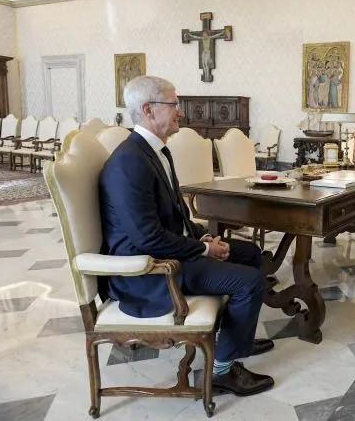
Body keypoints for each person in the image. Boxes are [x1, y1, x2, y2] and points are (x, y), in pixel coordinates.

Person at [99, 75, 274, 396]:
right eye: (174, 104)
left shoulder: (154, 152)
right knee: (250, 282)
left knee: (250, 254)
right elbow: (147, 238)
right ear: (149, 110)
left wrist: (203, 238)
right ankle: (222, 369)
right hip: (150, 271)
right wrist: (202, 250)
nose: (181, 111)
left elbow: (175, 216)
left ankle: (237, 337)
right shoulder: (129, 162)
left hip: (170, 253)